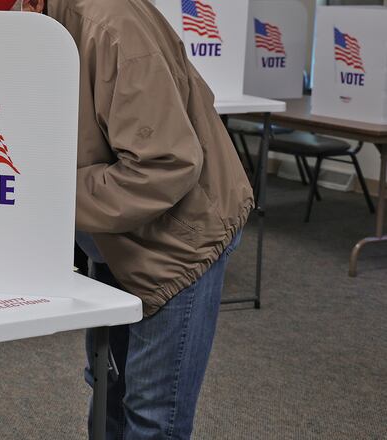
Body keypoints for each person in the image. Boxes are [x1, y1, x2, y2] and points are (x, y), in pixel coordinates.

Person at [19, 0, 253, 439]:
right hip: (112, 233)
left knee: (151, 415)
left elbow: (166, 164)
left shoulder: (111, 24)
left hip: (178, 242)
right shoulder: (39, 19)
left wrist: (46, 194)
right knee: (108, 390)